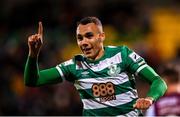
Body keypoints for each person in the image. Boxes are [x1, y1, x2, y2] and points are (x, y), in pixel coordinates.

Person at [24, 16, 167, 116]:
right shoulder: (74, 66)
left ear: (101, 36)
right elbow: (33, 81)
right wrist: (33, 54)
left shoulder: (122, 54)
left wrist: (149, 99)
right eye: (79, 38)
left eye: (89, 36)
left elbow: (159, 82)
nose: (83, 42)